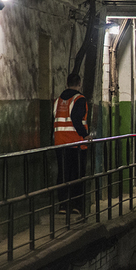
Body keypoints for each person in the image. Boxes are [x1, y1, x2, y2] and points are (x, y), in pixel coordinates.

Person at [53, 74, 89, 215]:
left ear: (67, 83)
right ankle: (76, 205)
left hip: (60, 144)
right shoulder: (79, 99)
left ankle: (63, 205)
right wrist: (85, 135)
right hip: (76, 144)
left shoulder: (58, 100)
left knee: (63, 175)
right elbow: (76, 118)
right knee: (77, 175)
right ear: (79, 83)